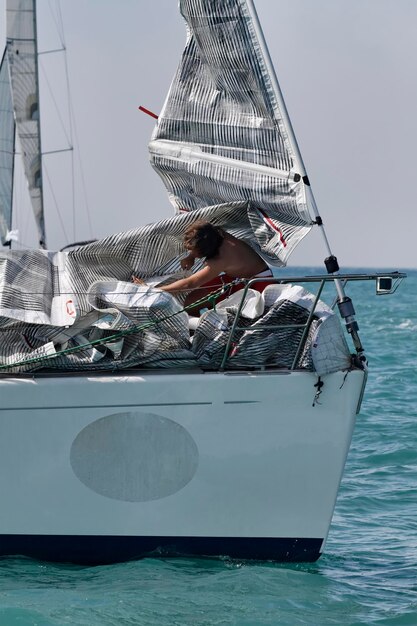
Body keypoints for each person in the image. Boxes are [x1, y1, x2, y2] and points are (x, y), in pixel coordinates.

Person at [133, 221, 272, 314]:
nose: (194, 254)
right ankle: (194, 330)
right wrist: (191, 257)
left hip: (259, 282)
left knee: (194, 304)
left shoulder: (221, 260)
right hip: (237, 277)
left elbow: (190, 283)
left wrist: (151, 291)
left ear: (206, 251)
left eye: (196, 253)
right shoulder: (216, 233)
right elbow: (200, 236)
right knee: (190, 303)